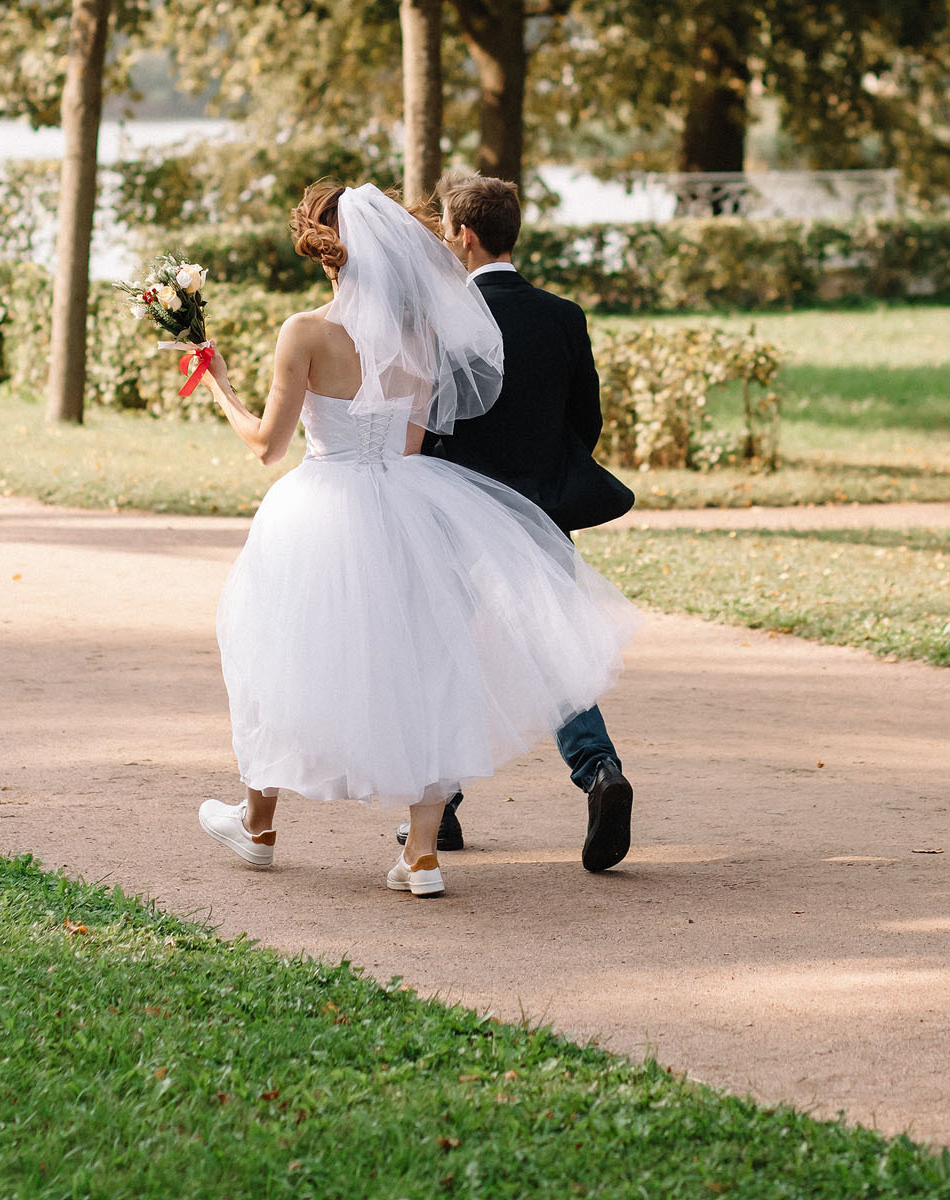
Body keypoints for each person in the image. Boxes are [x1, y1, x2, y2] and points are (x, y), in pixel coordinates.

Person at [191, 182, 639, 897]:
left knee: (276, 651)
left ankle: (258, 825)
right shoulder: (421, 338)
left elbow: (265, 445)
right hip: (405, 502)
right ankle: (422, 855)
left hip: (319, 503)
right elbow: (408, 444)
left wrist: (216, 378)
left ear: (324, 252)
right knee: (428, 668)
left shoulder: (305, 332)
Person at [421, 172, 639, 871]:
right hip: (540, 512)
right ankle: (600, 771)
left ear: (465, 235)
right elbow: (587, 422)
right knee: (553, 651)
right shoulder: (562, 316)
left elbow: (428, 421)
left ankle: (439, 809)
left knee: (447, 653)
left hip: (460, 512)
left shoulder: (447, 319)